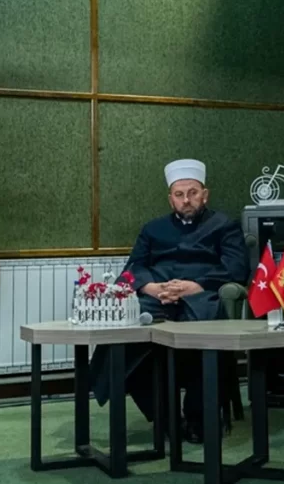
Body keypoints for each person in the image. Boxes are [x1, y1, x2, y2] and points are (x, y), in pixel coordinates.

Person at [89, 159, 250, 444]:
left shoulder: (224, 225)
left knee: (207, 338)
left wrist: (195, 286)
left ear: (205, 194)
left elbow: (237, 269)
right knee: (124, 342)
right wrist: (150, 287)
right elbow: (132, 269)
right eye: (179, 194)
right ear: (170, 198)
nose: (186, 200)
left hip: (201, 299)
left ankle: (199, 419)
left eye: (193, 192)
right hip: (156, 300)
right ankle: (166, 418)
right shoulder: (152, 229)